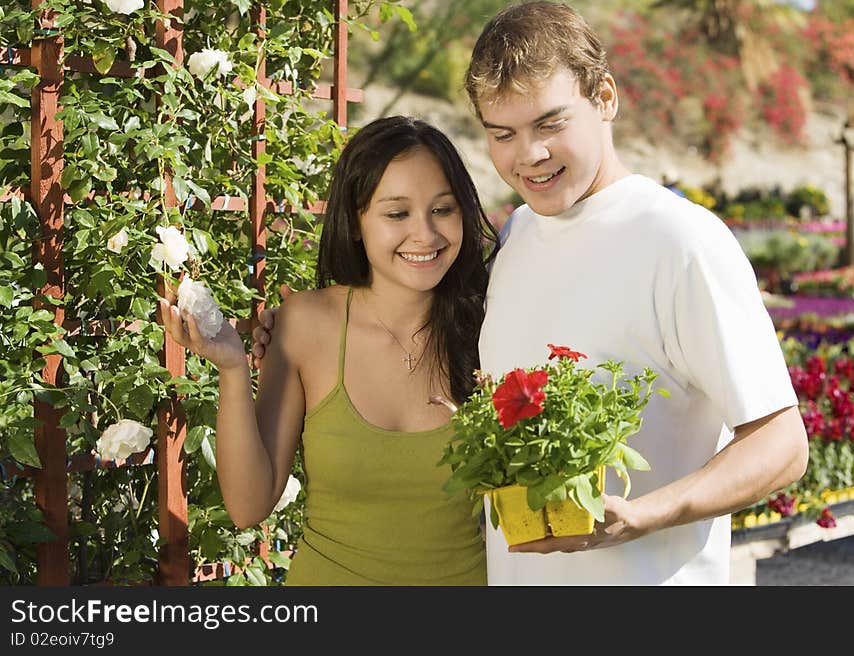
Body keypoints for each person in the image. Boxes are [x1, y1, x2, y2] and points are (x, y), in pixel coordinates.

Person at [255, 2, 809, 586]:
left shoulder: (680, 240)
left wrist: (643, 515)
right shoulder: (517, 237)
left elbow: (781, 443)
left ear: (605, 99)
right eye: (503, 133)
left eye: (550, 124)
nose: (529, 155)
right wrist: (282, 338)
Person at [161, 116, 494, 585]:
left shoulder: (493, 328)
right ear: (356, 222)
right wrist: (234, 371)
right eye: (397, 214)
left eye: (443, 209)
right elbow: (248, 506)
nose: (426, 234)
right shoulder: (305, 325)